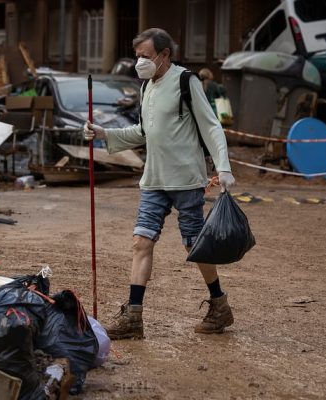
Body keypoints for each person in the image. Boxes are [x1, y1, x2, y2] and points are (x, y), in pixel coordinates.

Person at [83, 28, 236, 340]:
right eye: (137, 55)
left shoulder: (185, 81)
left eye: (146, 56)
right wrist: (104, 134)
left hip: (186, 180)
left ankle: (219, 305)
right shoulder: (146, 87)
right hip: (153, 179)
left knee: (194, 245)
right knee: (141, 242)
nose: (140, 62)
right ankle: (133, 317)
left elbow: (211, 127)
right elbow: (143, 131)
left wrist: (224, 167)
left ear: (165, 55)